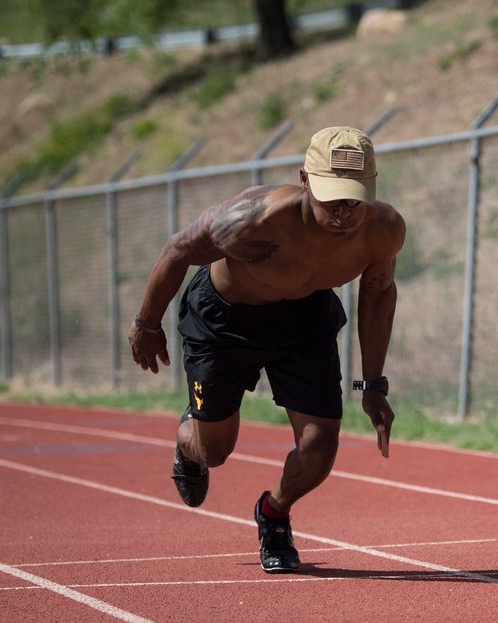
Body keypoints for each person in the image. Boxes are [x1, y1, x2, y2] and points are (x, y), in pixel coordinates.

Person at [127, 126, 405, 573]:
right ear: (304, 180)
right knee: (215, 451)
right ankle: (189, 442)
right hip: (224, 322)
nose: (343, 212)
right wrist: (146, 323)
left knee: (320, 450)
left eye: (354, 198)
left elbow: (378, 292)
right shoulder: (256, 219)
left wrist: (372, 383)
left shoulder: (382, 231)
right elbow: (179, 249)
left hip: (304, 322)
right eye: (331, 197)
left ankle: (274, 514)